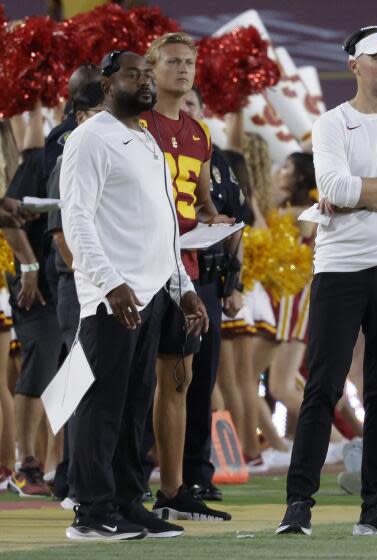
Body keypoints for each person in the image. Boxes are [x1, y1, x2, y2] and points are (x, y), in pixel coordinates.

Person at [276, 25, 377, 537]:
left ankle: (375, 508)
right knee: (322, 385)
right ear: (354, 65)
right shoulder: (331, 124)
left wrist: (359, 197)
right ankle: (298, 504)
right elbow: (333, 187)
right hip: (340, 267)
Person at [60, 50, 207, 540]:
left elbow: (162, 227)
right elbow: (76, 218)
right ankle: (90, 511)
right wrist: (109, 282)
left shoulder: (145, 140)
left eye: (148, 75)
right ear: (106, 83)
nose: (145, 83)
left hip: (153, 294)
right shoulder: (89, 138)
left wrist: (183, 289)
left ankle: (126, 500)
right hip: (112, 297)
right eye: (133, 74)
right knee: (101, 408)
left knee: (135, 408)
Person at [141, 32, 233, 522]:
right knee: (133, 380)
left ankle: (173, 490)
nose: (183, 69)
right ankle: (119, 485)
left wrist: (217, 219)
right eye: (172, 61)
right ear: (152, 68)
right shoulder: (135, 123)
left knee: (180, 378)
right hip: (139, 265)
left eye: (189, 62)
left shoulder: (199, 131)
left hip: (185, 267)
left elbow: (200, 202)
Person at [179, 86, 244, 501]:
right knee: (163, 378)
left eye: (192, 103)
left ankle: (198, 472)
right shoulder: (153, 150)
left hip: (206, 278)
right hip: (163, 273)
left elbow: (238, 223)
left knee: (203, 379)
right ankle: (145, 469)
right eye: (180, 102)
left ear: (203, 112)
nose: (186, 109)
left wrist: (234, 283)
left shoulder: (216, 162)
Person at [45, 80, 106, 506]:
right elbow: (60, 233)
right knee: (77, 378)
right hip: (78, 284)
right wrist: (89, 274)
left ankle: (69, 474)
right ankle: (63, 475)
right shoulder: (69, 157)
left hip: (97, 283)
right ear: (81, 116)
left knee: (86, 378)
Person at [2, 107, 61, 498]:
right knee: (39, 361)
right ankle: (25, 462)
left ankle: (62, 462)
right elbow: (9, 213)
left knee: (72, 370)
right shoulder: (47, 153)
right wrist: (29, 266)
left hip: (80, 279)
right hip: (40, 276)